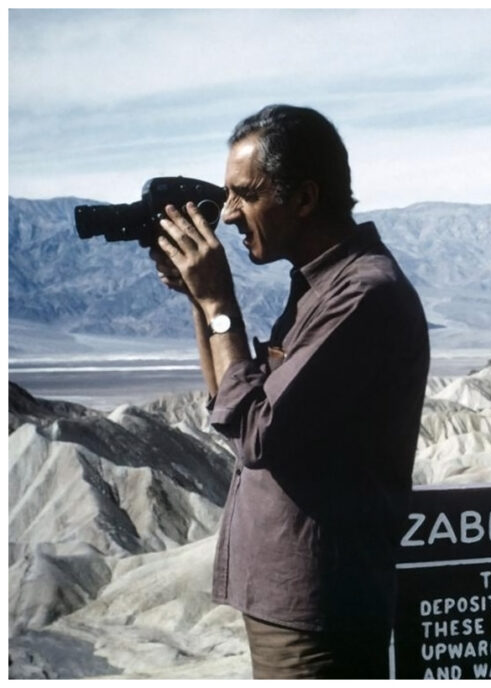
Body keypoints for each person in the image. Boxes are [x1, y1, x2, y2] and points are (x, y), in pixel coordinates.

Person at [150, 104, 430, 679]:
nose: (227, 215)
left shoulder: (361, 296)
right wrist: (201, 304)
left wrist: (222, 303)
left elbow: (258, 434)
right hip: (291, 606)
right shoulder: (318, 288)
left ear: (303, 198)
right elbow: (236, 411)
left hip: (320, 614)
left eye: (244, 195)